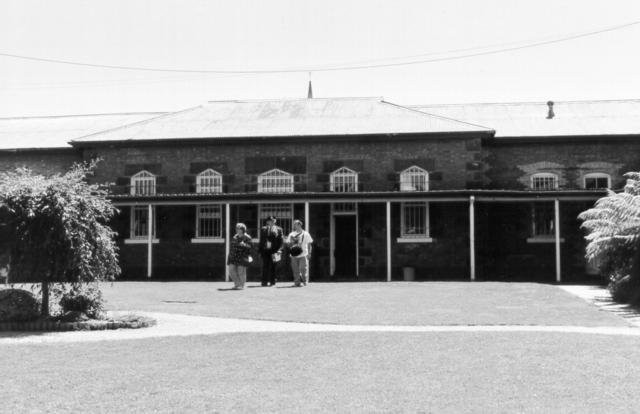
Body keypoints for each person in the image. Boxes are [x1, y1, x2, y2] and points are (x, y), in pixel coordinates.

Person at [286, 219, 314, 287]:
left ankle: (305, 281)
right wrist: (292, 242)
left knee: (303, 269)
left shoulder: (306, 234)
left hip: (303, 254)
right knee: (295, 270)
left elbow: (309, 244)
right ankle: (297, 283)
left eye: (296, 224)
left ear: (300, 225)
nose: (295, 226)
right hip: (293, 254)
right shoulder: (291, 234)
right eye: (294, 224)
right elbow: (288, 244)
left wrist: (309, 253)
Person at [258, 215, 283, 286]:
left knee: (273, 266)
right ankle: (264, 282)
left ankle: (273, 281)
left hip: (275, 251)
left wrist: (280, 250)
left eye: (272, 220)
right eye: (269, 221)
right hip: (265, 250)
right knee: (265, 266)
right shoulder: (263, 229)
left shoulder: (279, 229)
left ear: (275, 221)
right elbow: (261, 241)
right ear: (267, 222)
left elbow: (281, 241)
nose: (271, 222)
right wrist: (260, 251)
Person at [226, 223, 253, 290]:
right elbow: (232, 246)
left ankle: (241, 285)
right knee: (231, 270)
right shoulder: (235, 237)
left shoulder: (247, 237)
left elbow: (251, 247)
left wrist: (244, 244)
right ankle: (237, 284)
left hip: (243, 256)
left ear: (242, 229)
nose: (237, 229)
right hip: (234, 256)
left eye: (238, 228)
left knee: (241, 272)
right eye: (236, 228)